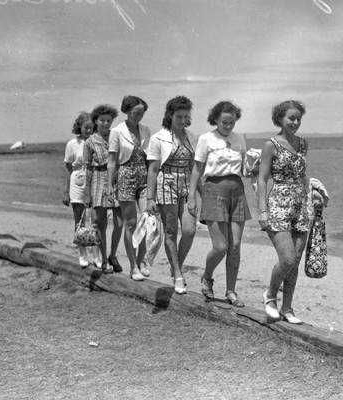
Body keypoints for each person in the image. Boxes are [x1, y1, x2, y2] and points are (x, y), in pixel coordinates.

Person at [188, 101, 251, 307]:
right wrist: (191, 197)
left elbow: (244, 169)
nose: (228, 125)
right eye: (224, 121)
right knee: (221, 246)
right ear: (215, 119)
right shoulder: (206, 139)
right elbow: (197, 171)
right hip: (213, 190)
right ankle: (207, 276)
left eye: (232, 122)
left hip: (237, 190)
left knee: (235, 246)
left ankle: (231, 291)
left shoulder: (240, 139)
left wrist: (253, 168)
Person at [256, 100, 311, 324]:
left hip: (300, 206)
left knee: (295, 261)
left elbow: (303, 176)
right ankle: (270, 295)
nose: (296, 122)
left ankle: (287, 307)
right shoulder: (271, 144)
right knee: (287, 259)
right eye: (291, 118)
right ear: (280, 119)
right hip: (278, 203)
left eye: (299, 118)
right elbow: (262, 178)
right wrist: (262, 211)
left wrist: (314, 194)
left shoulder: (304, 144)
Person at [146, 96, 197, 294]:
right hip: (165, 184)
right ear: (170, 115)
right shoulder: (158, 138)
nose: (182, 120)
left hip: (185, 185)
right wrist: (150, 199)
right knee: (171, 231)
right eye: (179, 116)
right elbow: (152, 170)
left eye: (186, 116)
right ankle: (177, 274)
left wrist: (200, 193)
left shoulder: (191, 136)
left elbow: (194, 168)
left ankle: (177, 264)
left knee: (190, 229)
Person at [107, 95, 151, 281]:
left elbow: (151, 158)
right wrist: (110, 185)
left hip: (144, 177)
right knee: (131, 224)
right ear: (127, 111)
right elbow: (111, 161)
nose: (138, 117)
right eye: (135, 113)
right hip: (125, 176)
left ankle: (141, 261)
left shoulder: (146, 130)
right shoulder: (117, 131)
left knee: (147, 222)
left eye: (141, 113)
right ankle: (133, 267)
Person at [83, 104, 124, 273]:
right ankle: (103, 260)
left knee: (120, 223)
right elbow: (88, 168)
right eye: (102, 121)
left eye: (109, 120)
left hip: (117, 180)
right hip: (99, 180)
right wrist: (87, 191)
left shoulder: (117, 137)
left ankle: (112, 255)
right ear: (96, 121)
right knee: (101, 225)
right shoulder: (90, 142)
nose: (106, 124)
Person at [63, 111, 100, 268]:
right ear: (80, 127)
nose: (88, 130)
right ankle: (82, 254)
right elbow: (68, 167)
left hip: (95, 181)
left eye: (91, 127)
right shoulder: (72, 144)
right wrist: (66, 191)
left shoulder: (97, 142)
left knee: (96, 220)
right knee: (79, 221)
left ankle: (96, 256)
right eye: (86, 127)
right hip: (77, 182)